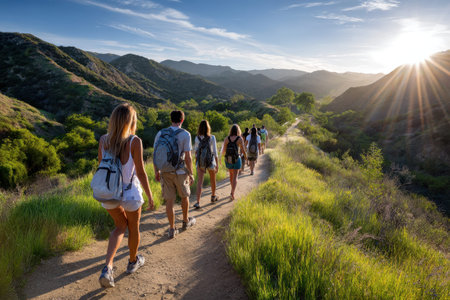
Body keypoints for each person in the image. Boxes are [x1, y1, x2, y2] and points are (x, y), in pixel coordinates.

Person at [97, 103, 154, 288]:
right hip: (130, 194)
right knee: (134, 227)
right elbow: (141, 172)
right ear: (131, 121)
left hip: (110, 194)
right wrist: (151, 196)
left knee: (119, 227)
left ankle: (107, 267)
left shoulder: (104, 140)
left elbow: (102, 168)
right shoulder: (134, 141)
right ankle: (132, 262)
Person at [153, 110, 196, 239]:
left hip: (165, 172)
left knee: (169, 201)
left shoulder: (161, 133)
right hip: (181, 171)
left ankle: (172, 229)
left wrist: (157, 171)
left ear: (171, 119)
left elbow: (156, 154)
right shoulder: (185, 134)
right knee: (184, 196)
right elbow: (188, 157)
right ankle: (185, 221)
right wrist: (191, 173)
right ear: (182, 120)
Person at [194, 120, 219, 209]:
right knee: (213, 179)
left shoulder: (197, 138)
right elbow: (215, 152)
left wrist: (196, 162)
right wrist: (217, 164)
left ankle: (197, 202)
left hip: (200, 162)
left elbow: (196, 152)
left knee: (200, 182)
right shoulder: (212, 138)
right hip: (210, 161)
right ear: (208, 128)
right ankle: (213, 196)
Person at [223, 124, 247, 200]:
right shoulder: (240, 139)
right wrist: (246, 158)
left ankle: (232, 189)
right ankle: (232, 193)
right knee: (235, 176)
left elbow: (224, 150)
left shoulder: (226, 139)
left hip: (228, 159)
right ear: (238, 131)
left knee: (231, 174)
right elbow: (243, 150)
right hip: (237, 159)